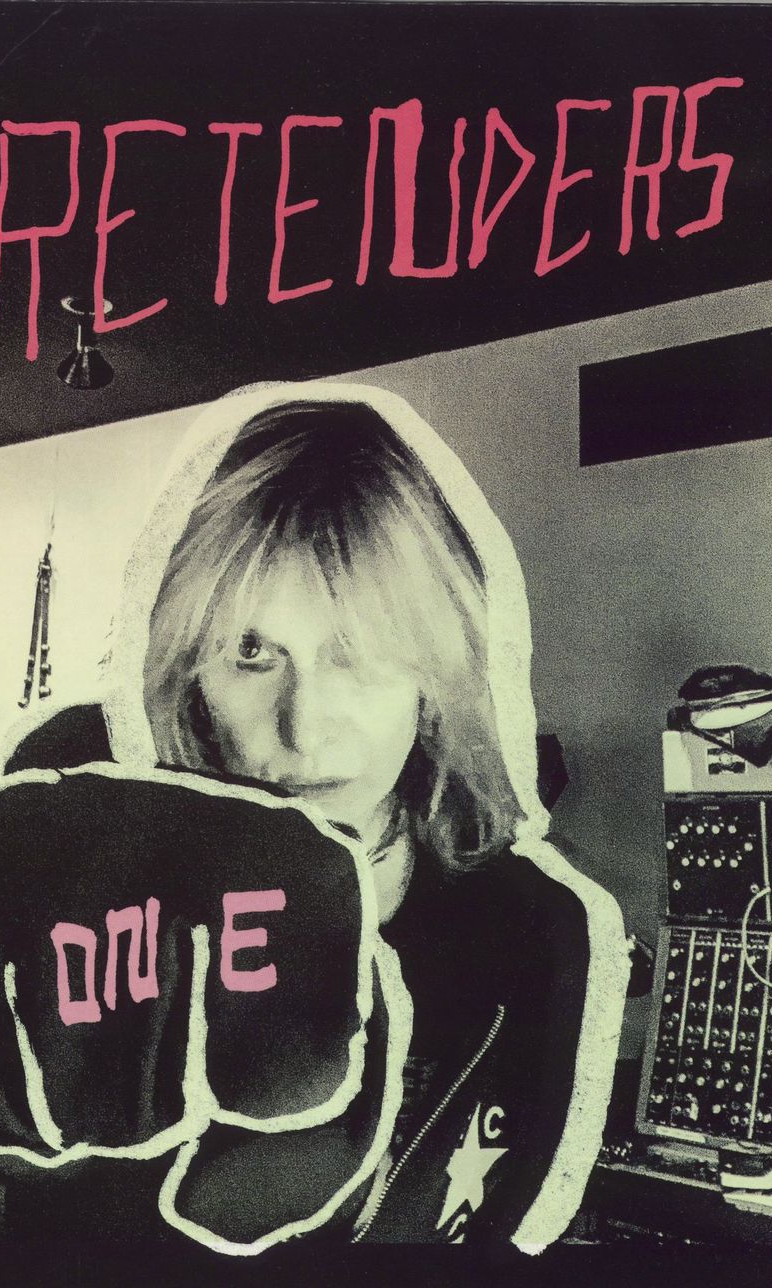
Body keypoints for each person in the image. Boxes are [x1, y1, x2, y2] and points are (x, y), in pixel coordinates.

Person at [95, 381, 630, 1246]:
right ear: (187, 676)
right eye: (252, 652)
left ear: (435, 675)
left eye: (357, 655)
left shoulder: (540, 935)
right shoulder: (113, 930)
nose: (305, 729)